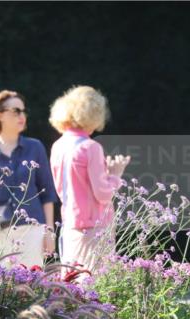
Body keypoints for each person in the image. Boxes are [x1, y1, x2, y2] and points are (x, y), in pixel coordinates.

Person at [0, 90, 59, 281]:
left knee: (31, 286)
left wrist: (49, 232)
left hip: (31, 229)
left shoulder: (36, 147)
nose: (22, 116)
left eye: (23, 111)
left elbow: (48, 193)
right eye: (16, 111)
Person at [48, 85, 130, 280]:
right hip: (94, 228)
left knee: (72, 284)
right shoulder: (91, 147)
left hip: (69, 224)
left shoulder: (58, 146)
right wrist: (116, 175)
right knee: (94, 286)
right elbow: (102, 193)